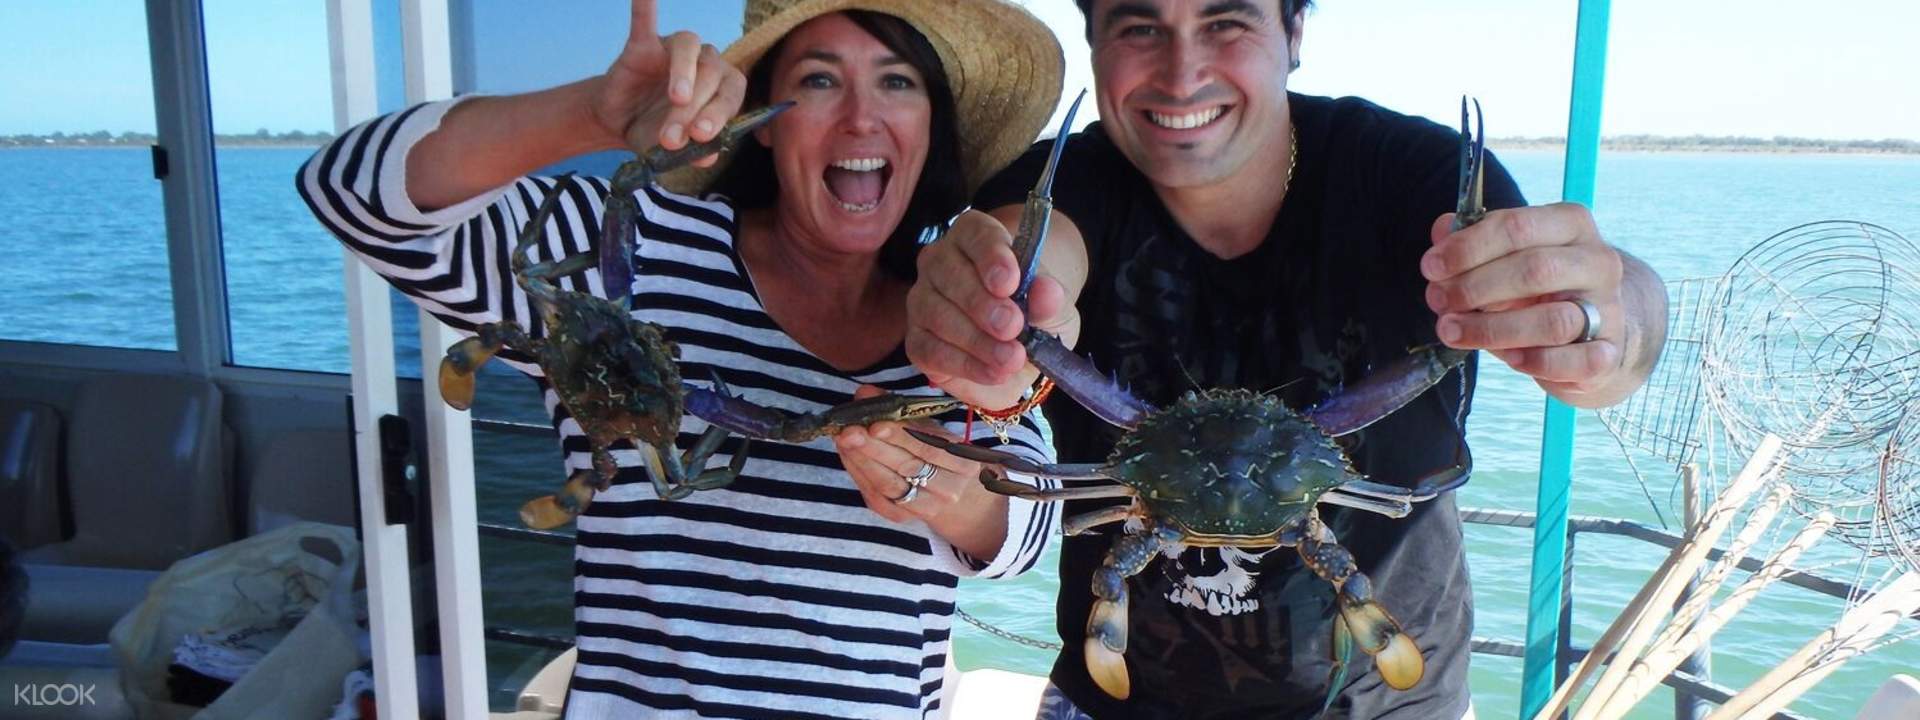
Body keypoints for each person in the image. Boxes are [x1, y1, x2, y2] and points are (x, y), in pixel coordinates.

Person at [297, 0, 1066, 716]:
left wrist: (943, 489)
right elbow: (348, 191)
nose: (861, 117)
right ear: (763, 122)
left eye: (896, 81)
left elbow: (1026, 535)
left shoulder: (954, 312)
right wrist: (586, 114)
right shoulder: (633, 247)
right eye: (819, 79)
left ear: (933, 124)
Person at [905, 0, 1671, 718]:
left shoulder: (1411, 177)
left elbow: (1602, 306)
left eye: (1226, 20)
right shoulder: (1066, 182)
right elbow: (1036, 259)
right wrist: (1000, 308)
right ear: (1094, 42)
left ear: (1295, 31)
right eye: (1140, 26)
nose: (1181, 72)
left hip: (1393, 705)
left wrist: (1607, 322)